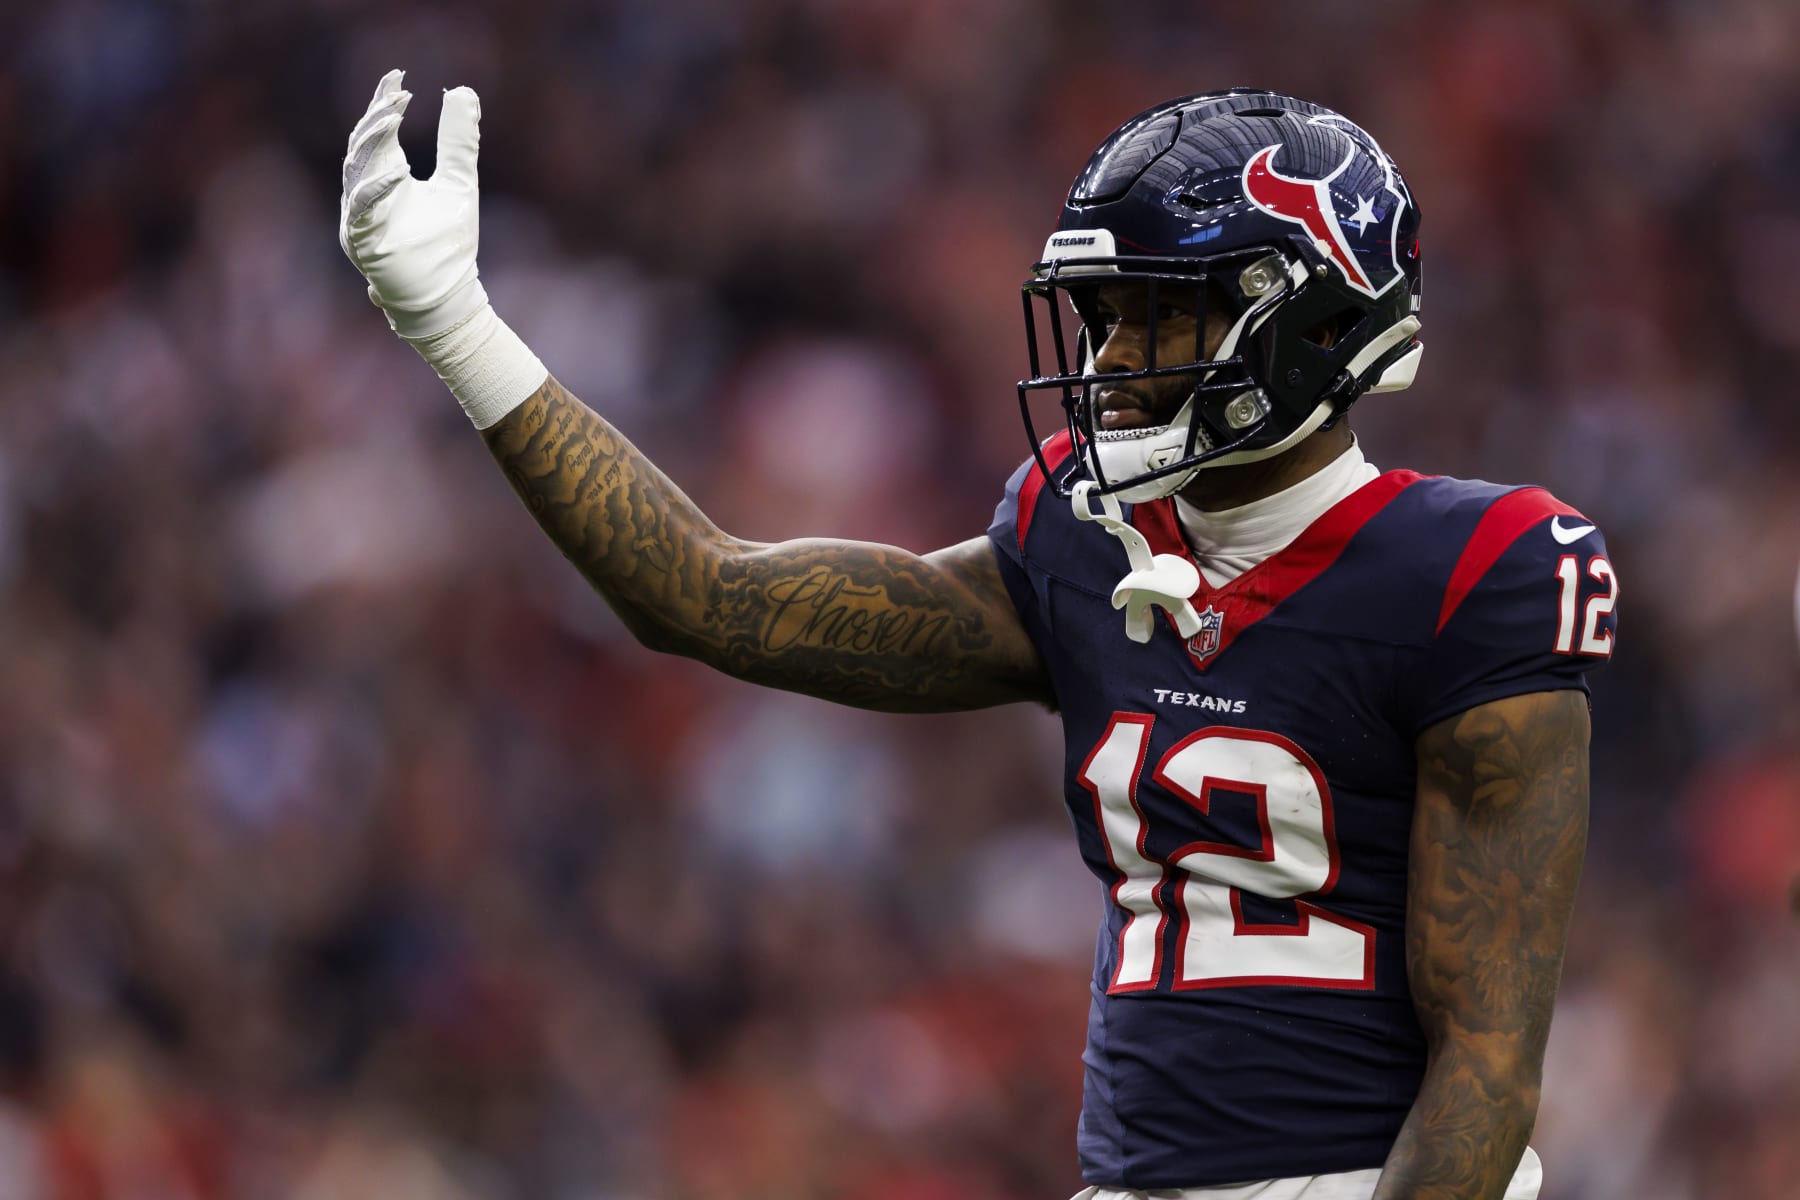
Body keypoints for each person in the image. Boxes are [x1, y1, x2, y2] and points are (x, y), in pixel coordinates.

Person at [339, 73, 1618, 1200]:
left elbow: (1488, 1064)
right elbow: (706, 595)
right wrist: (458, 325)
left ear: (1311, 322)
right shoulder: (1081, 542)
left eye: (1155, 315)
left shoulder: (1474, 572)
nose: (1110, 361)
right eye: (1101, 316)